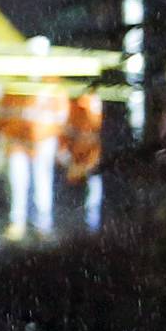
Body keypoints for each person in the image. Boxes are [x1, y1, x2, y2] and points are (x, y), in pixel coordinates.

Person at [0, 59, 69, 239]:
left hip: (42, 141)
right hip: (17, 141)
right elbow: (3, 110)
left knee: (42, 182)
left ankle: (42, 225)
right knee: (17, 181)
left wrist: (50, 138)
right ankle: (17, 222)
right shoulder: (17, 83)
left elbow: (61, 119)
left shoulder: (54, 86)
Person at [63, 88, 103, 231]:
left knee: (93, 187)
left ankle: (92, 225)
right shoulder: (73, 105)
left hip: (91, 155)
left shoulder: (91, 104)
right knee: (79, 188)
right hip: (76, 156)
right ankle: (78, 225)